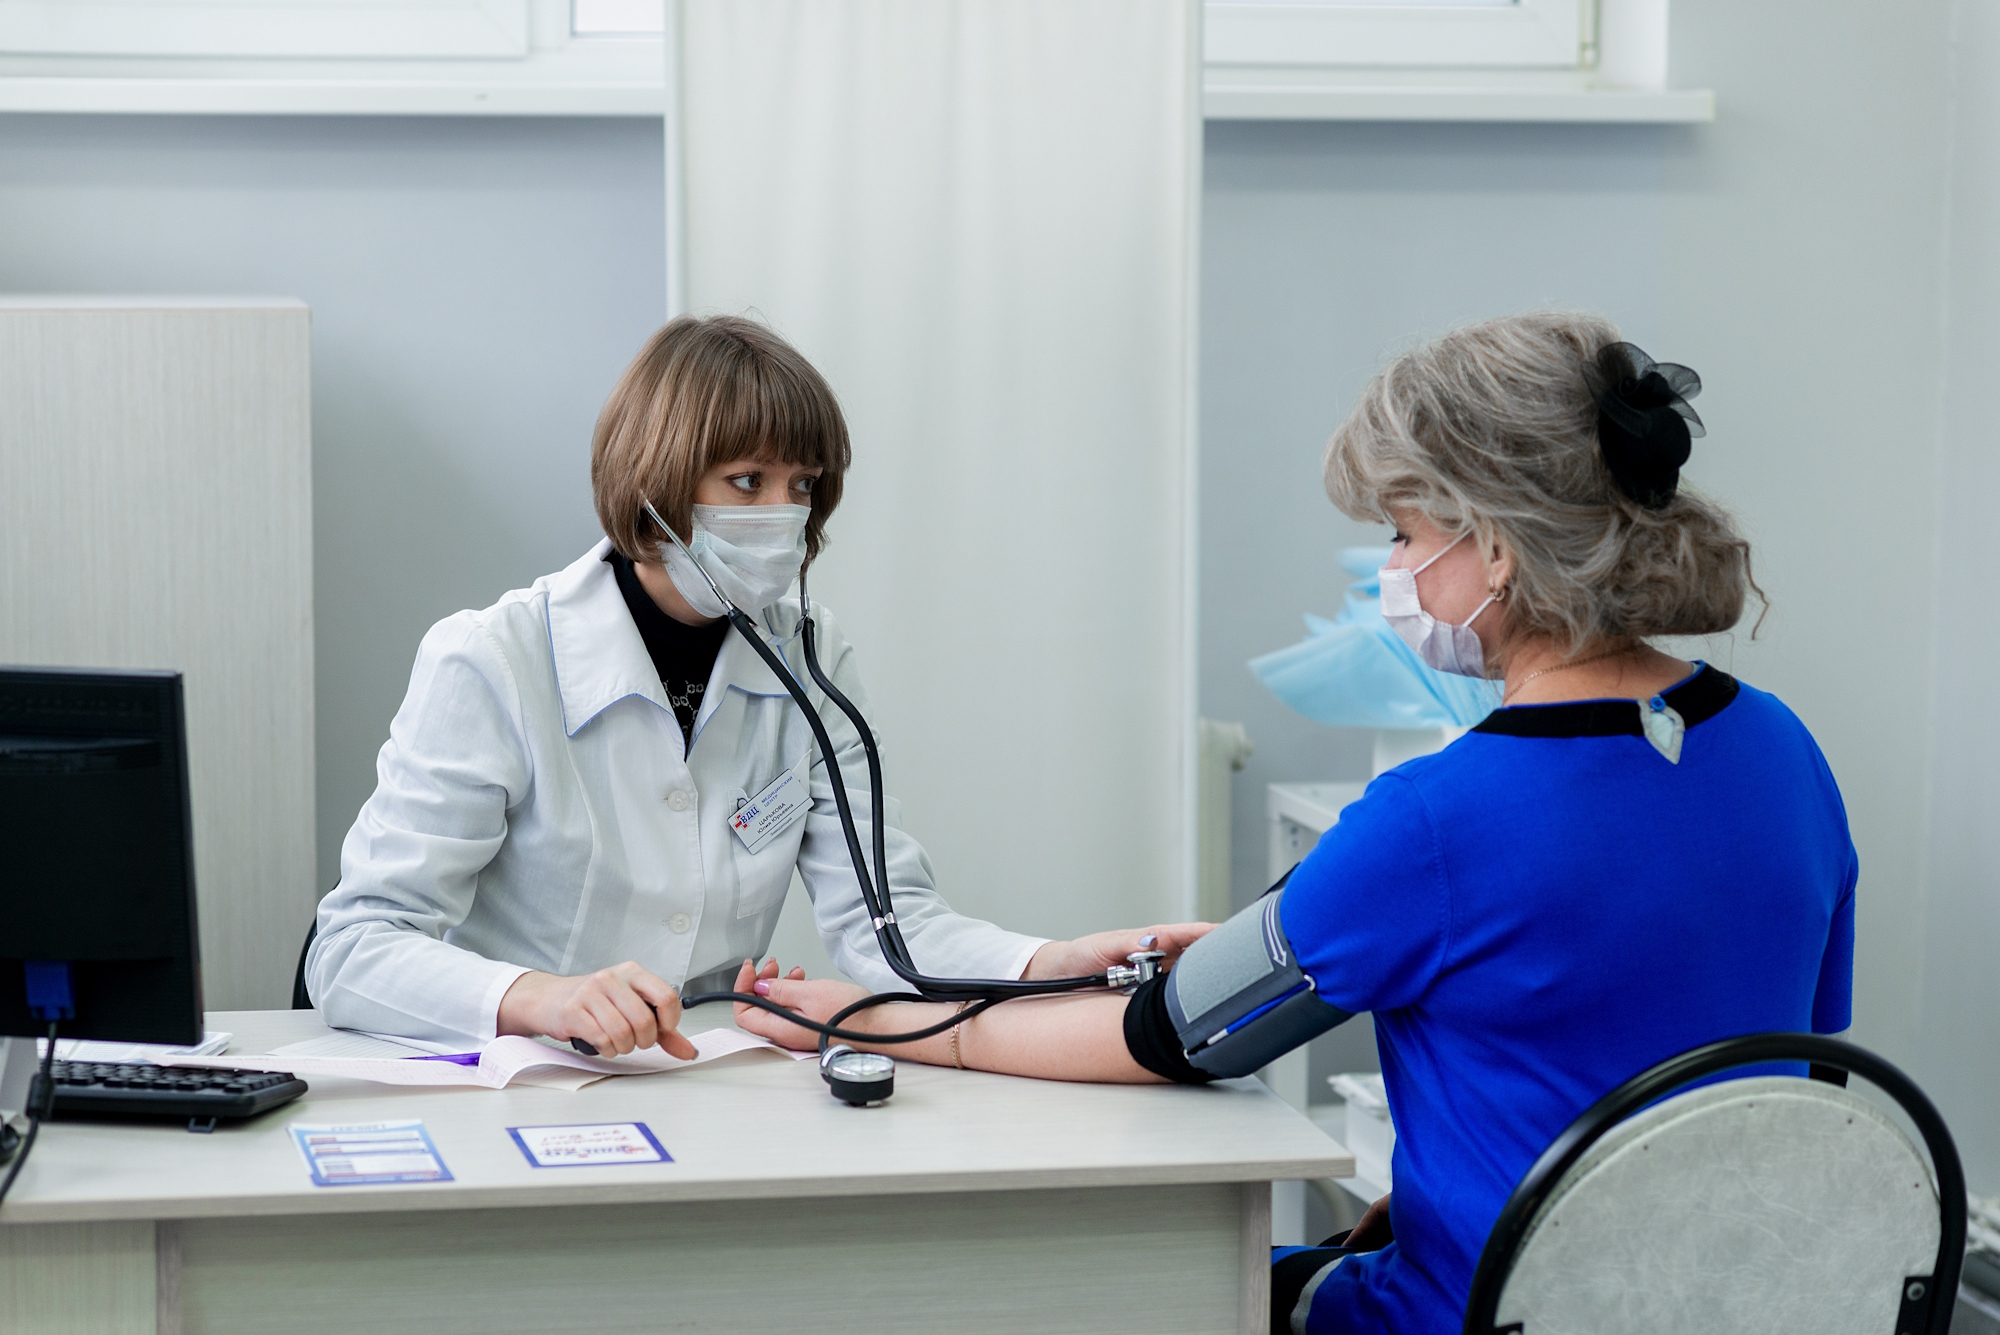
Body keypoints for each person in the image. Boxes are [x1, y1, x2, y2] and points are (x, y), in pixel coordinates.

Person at [729, 312, 1857, 1335]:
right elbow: (1768, 1084)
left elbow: (1171, 1035)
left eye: (1405, 534)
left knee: (1144, 1286)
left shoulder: (1436, 822)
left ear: (1498, 546)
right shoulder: (1783, 751)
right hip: (1743, 1304)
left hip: (1487, 1311)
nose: (1395, 569)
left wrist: (877, 1023)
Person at [306, 314, 1207, 1055]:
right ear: (654, 479)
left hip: (705, 1076)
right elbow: (352, 948)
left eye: (802, 485)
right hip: (520, 1078)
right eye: (746, 481)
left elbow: (890, 928)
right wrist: (538, 996)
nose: (783, 515)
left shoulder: (811, 657)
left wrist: (1056, 963)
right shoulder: (494, 658)